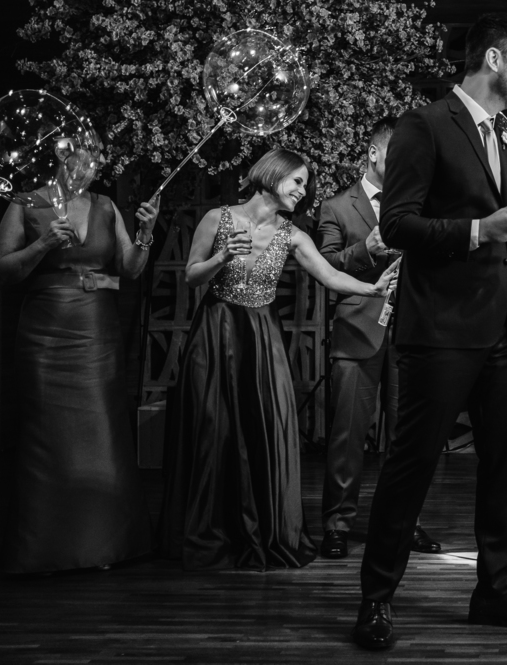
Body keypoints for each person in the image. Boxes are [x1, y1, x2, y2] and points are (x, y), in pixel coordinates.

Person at [353, 13, 507, 651]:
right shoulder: (424, 125)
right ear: (494, 59)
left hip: (502, 332)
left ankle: (494, 590)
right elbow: (397, 225)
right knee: (411, 467)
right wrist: (475, 231)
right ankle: (376, 599)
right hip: (438, 327)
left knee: (505, 467)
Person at [159, 149, 399, 571]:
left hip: (262, 339)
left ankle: (264, 528)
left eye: (306, 185)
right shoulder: (217, 219)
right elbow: (192, 275)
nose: (303, 192)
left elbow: (330, 275)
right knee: (213, 428)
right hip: (216, 332)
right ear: (272, 175)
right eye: (297, 182)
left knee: (264, 428)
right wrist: (221, 257)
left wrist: (372, 289)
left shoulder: (292, 235)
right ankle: (212, 528)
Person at [0, 183, 158, 573]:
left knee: (101, 429)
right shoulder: (25, 203)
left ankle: (105, 545)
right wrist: (43, 244)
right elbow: (1, 271)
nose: (91, 159)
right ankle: (44, 549)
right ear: (60, 155)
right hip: (45, 330)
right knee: (47, 434)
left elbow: (130, 268)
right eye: (83, 152)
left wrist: (145, 234)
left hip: (97, 328)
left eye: (96, 154)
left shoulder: (105, 205)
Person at [317, 119, 439, 559]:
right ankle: (337, 524)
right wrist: (366, 249)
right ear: (373, 153)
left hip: (413, 333)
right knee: (347, 436)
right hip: (357, 331)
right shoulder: (336, 207)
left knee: (409, 439)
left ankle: (405, 523)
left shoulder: (419, 204)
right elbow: (325, 266)